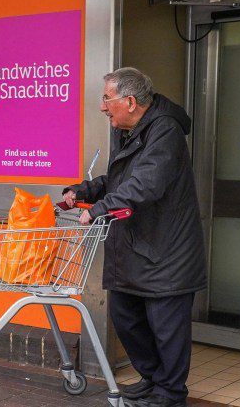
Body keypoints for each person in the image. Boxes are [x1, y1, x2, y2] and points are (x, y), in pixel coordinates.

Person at [62, 67, 206, 407]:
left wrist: (98, 210)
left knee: (166, 326)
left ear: (129, 101)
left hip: (166, 248)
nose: (102, 107)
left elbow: (146, 184)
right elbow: (120, 178)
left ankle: (170, 393)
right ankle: (153, 378)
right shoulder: (126, 129)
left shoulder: (165, 131)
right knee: (127, 316)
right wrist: (86, 191)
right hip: (135, 244)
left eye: (107, 98)